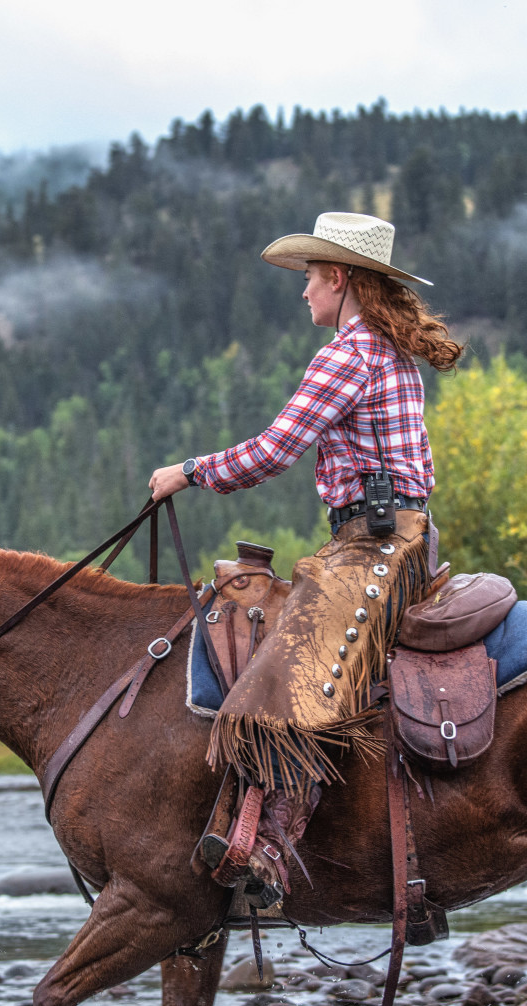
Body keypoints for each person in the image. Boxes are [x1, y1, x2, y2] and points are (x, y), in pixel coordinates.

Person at [148, 211, 464, 899]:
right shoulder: (384, 349)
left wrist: (190, 471)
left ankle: (273, 836)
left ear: (340, 278)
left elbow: (274, 450)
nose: (304, 294)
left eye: (312, 279)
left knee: (284, 673)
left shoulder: (348, 354)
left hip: (376, 544)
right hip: (385, 538)